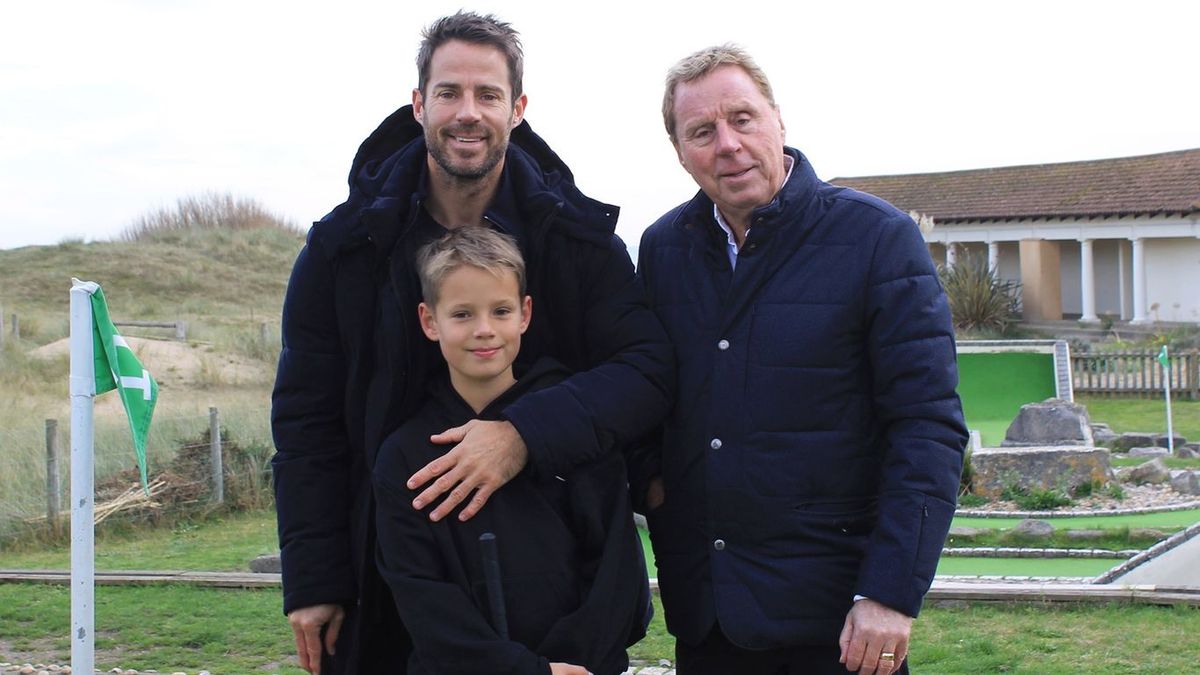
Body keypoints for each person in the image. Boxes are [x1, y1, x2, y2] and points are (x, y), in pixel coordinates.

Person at [271, 12, 672, 674]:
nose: (468, 112)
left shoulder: (576, 241)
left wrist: (521, 433)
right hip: (394, 577)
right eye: (450, 92)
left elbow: (647, 370)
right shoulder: (343, 250)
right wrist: (315, 579)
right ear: (419, 103)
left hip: (552, 588)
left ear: (516, 108)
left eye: (488, 95)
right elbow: (306, 422)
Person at [635, 44, 968, 675]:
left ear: (778, 121)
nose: (727, 144)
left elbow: (926, 425)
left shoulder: (876, 239)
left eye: (742, 118)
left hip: (840, 624)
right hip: (710, 617)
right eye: (702, 131)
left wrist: (891, 593)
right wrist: (655, 483)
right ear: (679, 151)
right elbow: (648, 391)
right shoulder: (663, 250)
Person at [373, 227, 649, 675]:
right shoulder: (404, 456)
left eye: (500, 311)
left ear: (524, 314)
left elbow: (616, 573)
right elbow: (421, 595)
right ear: (429, 321)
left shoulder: (573, 432)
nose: (484, 330)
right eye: (462, 314)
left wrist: (567, 665)